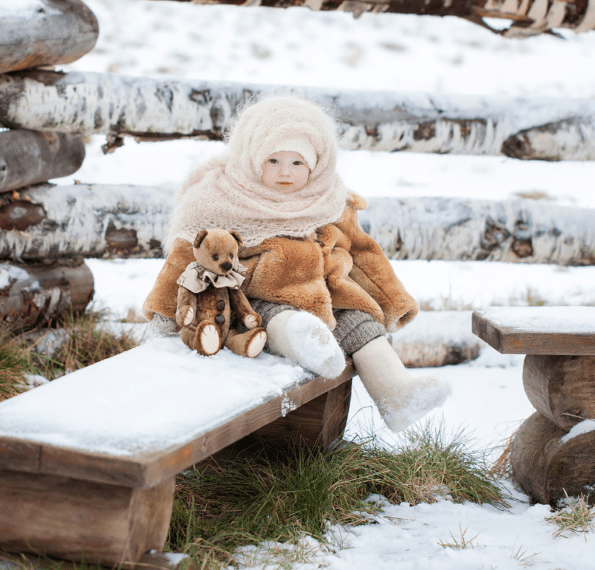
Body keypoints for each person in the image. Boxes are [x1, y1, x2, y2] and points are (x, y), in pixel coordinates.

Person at [143, 95, 450, 432]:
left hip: (329, 296)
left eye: (297, 163)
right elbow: (185, 260)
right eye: (272, 160)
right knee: (278, 320)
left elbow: (364, 254)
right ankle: (308, 344)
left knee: (363, 325)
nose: (285, 173)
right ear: (250, 157)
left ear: (317, 164)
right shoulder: (218, 201)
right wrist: (162, 315)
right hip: (255, 300)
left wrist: (394, 302)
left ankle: (397, 395)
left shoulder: (331, 200)